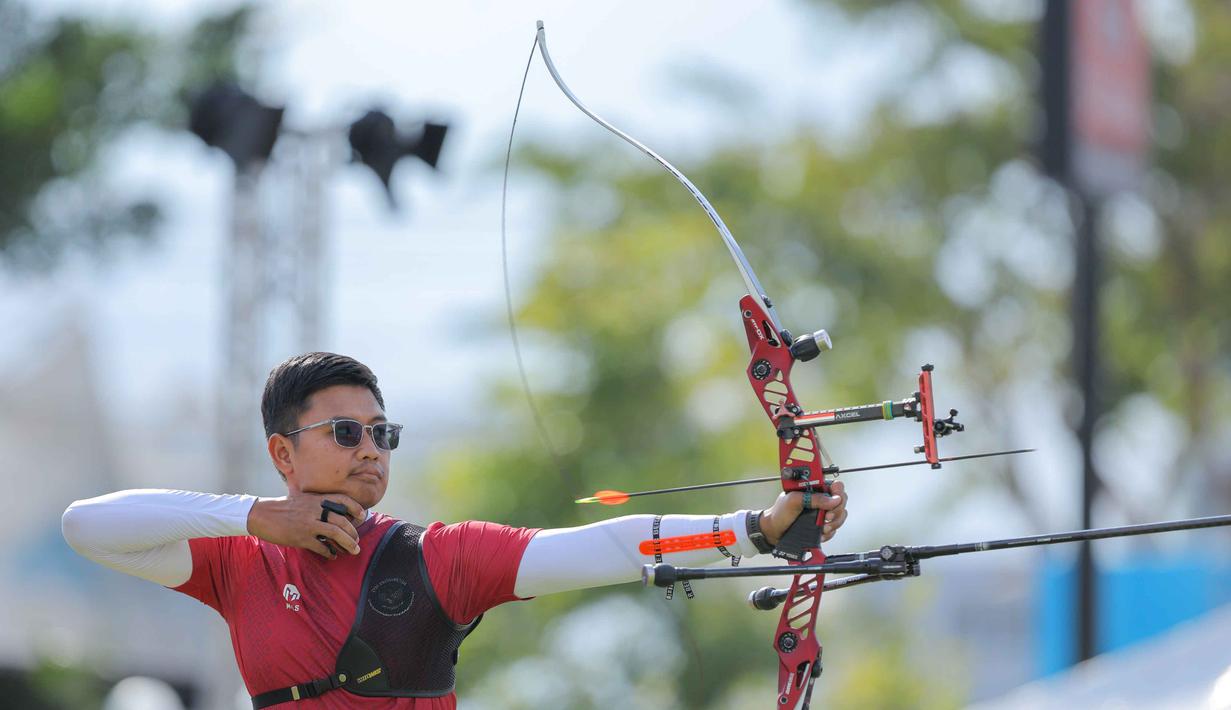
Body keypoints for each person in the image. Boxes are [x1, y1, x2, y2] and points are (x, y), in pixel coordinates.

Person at [62, 352, 848, 709]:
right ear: (282, 453)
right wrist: (255, 516)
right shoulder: (237, 562)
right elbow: (88, 527)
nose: (370, 449)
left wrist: (755, 526)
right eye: (345, 432)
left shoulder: (437, 557)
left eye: (382, 433)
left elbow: (608, 546)